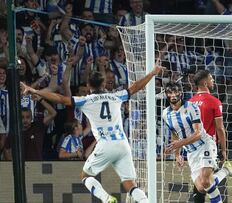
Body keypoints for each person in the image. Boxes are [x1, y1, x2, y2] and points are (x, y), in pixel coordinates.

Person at [21, 63, 164, 203]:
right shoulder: (116, 96)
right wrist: (152, 73)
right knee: (130, 184)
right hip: (123, 144)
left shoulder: (86, 100)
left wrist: (35, 91)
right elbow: (135, 87)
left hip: (105, 145)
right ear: (103, 85)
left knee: (85, 176)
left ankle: (107, 199)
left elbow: (60, 98)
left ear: (89, 87)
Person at [163, 81, 232, 203]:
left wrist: (180, 144)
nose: (173, 95)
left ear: (181, 93)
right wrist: (177, 154)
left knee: (205, 181)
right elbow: (174, 134)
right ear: (166, 94)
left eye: (175, 91)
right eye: (169, 92)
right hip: (191, 152)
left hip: (205, 145)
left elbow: (198, 134)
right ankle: (225, 170)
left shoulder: (191, 107)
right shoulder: (165, 114)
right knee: (202, 188)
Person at [189, 70, 228, 202]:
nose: (213, 81)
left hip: (200, 147)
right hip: (201, 146)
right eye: (211, 78)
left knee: (204, 184)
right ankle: (225, 171)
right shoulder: (214, 102)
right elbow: (220, 128)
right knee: (202, 186)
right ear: (205, 83)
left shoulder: (189, 103)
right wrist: (224, 149)